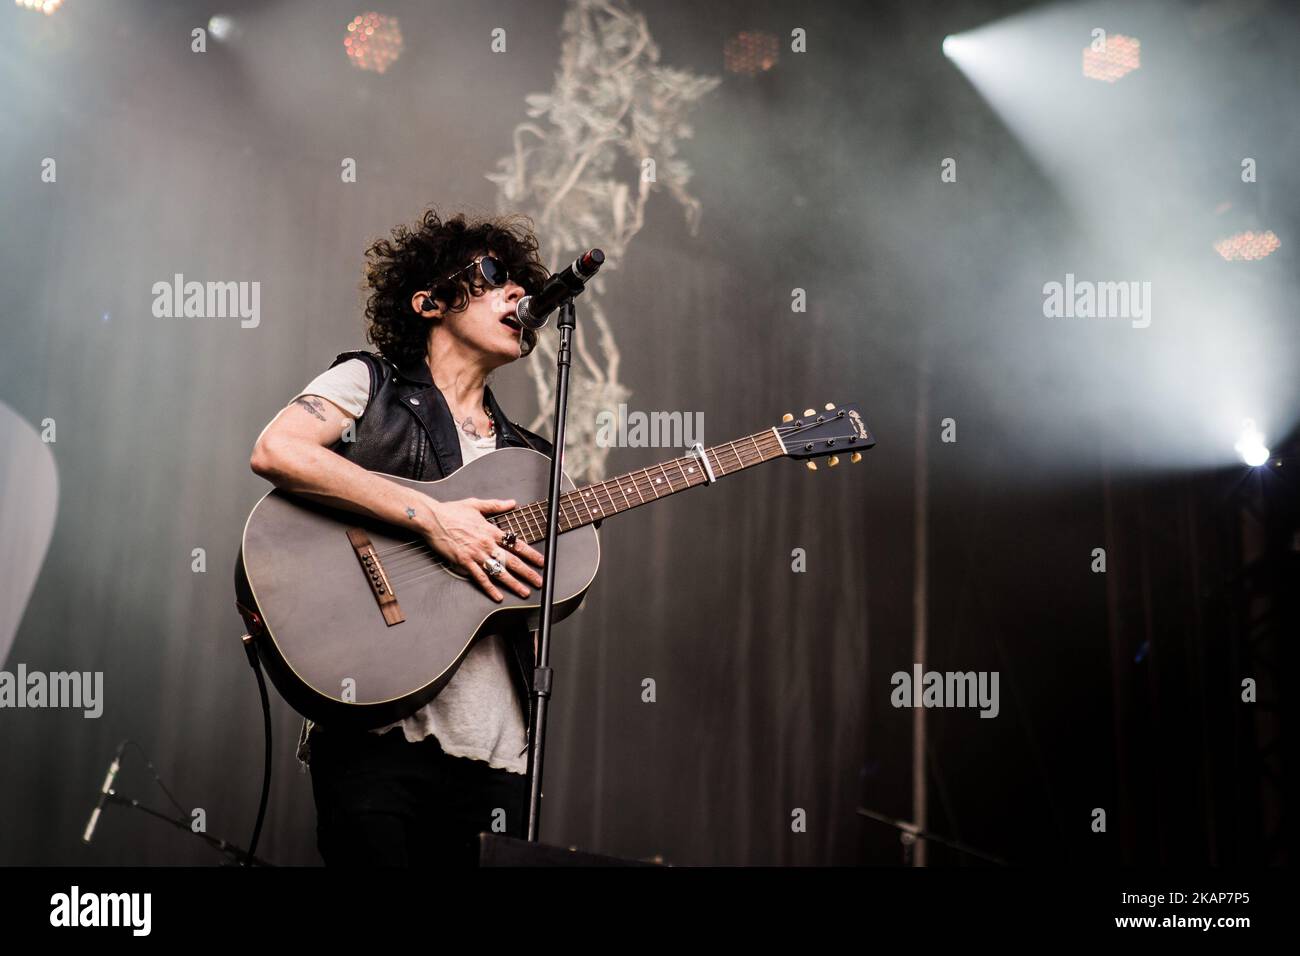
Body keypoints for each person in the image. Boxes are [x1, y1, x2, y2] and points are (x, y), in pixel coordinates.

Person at [248, 208, 555, 866]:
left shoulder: (531, 460)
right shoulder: (370, 382)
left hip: (498, 752)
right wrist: (433, 518)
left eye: (525, 285)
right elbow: (279, 449)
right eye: (496, 276)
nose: (519, 294)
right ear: (428, 301)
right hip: (374, 732)